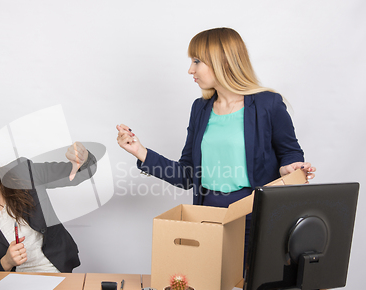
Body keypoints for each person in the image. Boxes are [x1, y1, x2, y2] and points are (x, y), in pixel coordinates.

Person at [116, 27, 315, 262]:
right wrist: (140, 152)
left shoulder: (267, 104)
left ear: (222, 61)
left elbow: (289, 152)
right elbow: (187, 175)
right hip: (208, 216)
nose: (191, 69)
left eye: (197, 61)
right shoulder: (200, 109)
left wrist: (288, 168)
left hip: (254, 213)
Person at [0, 131, 96, 272]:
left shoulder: (22, 173)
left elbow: (77, 175)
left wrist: (83, 159)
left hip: (58, 272)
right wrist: (6, 262)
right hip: (14, 286)